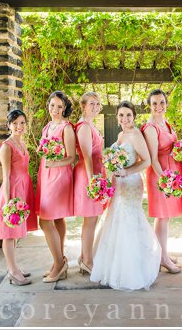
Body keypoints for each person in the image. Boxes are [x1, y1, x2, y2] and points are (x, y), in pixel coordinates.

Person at [90, 101, 161, 291]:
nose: (125, 119)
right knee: (116, 220)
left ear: (134, 116)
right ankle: (116, 267)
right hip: (118, 183)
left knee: (129, 220)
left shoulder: (136, 135)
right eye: (121, 115)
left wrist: (127, 172)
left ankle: (133, 271)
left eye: (128, 115)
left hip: (130, 183)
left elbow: (146, 161)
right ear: (117, 117)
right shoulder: (121, 135)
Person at [141, 89, 182, 274]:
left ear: (166, 104)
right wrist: (166, 181)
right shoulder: (151, 128)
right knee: (162, 216)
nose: (158, 106)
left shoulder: (167, 124)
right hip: (159, 175)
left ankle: (162, 252)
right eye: (154, 103)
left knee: (165, 217)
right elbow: (153, 159)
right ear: (150, 106)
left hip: (171, 173)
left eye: (161, 102)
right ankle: (162, 258)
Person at [0, 109, 38, 286]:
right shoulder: (7, 146)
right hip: (12, 192)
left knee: (16, 232)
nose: (19, 126)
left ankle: (15, 267)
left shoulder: (21, 142)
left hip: (23, 189)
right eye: (15, 123)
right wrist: (9, 202)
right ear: (9, 125)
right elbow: (6, 176)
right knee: (9, 233)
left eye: (22, 123)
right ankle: (12, 271)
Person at [37, 91, 76, 283]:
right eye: (53, 105)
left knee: (44, 221)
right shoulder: (47, 126)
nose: (55, 110)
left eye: (60, 106)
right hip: (46, 175)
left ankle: (59, 264)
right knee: (58, 219)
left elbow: (71, 157)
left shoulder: (66, 128)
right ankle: (58, 261)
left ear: (65, 108)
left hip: (59, 177)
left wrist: (54, 163)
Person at [72, 92, 105, 275]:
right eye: (91, 103)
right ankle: (87, 260)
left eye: (97, 103)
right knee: (90, 220)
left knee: (90, 219)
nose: (95, 106)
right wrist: (93, 181)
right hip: (88, 174)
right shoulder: (84, 126)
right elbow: (86, 156)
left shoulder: (91, 124)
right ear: (83, 106)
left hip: (94, 172)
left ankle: (83, 256)